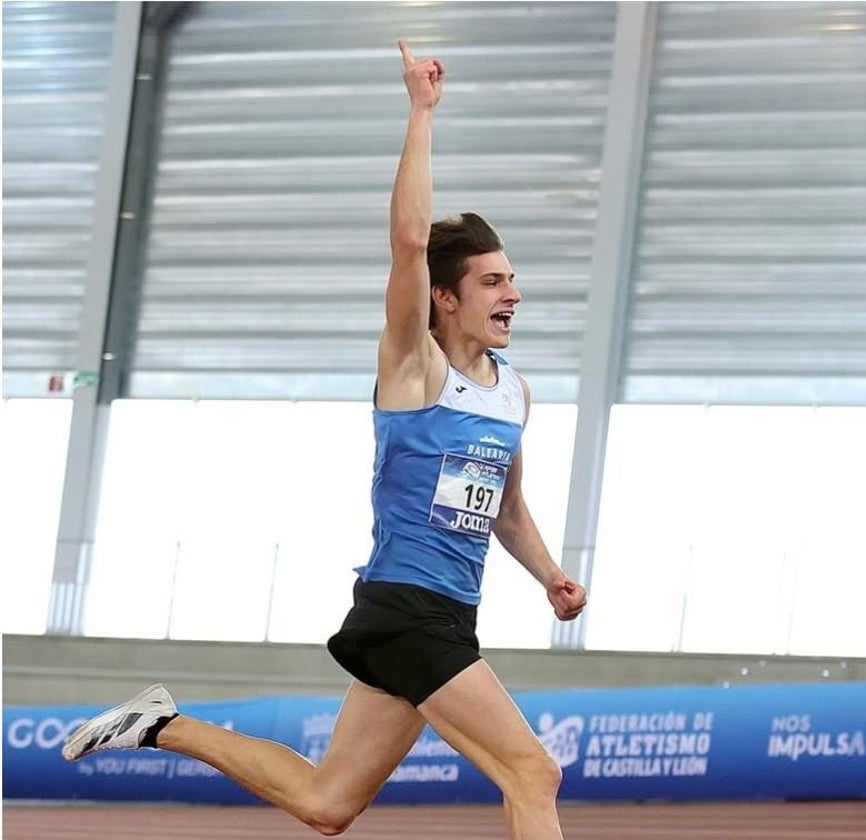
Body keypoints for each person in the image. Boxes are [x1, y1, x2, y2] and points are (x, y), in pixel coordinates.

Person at [61, 41, 588, 840]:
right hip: (408, 609)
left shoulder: (515, 392)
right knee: (533, 772)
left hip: (445, 613)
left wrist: (551, 576)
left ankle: (162, 725)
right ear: (445, 299)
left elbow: (506, 508)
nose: (514, 292)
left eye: (512, 279)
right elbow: (410, 241)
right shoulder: (414, 369)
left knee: (328, 802)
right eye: (492, 280)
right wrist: (420, 112)